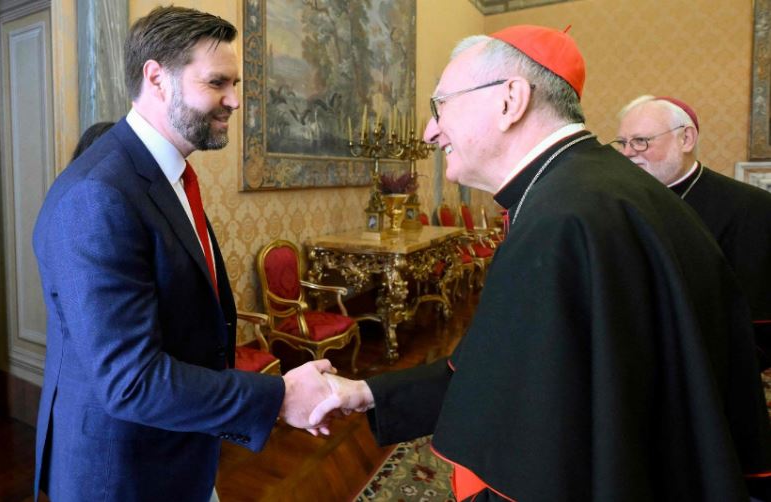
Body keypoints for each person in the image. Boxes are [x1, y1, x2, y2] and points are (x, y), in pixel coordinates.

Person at [308, 25, 771, 500]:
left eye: (440, 105)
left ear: (510, 99)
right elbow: (498, 365)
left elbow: (539, 437)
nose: (430, 130)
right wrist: (364, 393)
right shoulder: (589, 189)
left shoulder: (563, 218)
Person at [32, 7, 334, 501]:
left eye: (235, 83)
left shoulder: (159, 173)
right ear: (157, 78)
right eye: (217, 83)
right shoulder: (99, 193)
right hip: (123, 473)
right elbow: (131, 382)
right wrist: (278, 398)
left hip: (177, 452)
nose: (234, 101)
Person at [616, 95, 771, 369]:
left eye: (641, 141)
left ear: (686, 139)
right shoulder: (616, 203)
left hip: (712, 373)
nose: (628, 153)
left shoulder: (751, 207)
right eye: (623, 143)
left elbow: (757, 322)